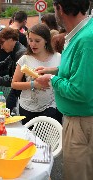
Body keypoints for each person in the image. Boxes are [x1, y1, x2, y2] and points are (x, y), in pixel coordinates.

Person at [35, 0, 93, 179]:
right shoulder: (81, 33)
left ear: (60, 8)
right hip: (79, 121)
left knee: (77, 175)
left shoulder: (86, 39)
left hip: (81, 123)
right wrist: (53, 71)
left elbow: (80, 91)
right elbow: (79, 72)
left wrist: (52, 79)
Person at [11, 23, 62, 125]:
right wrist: (34, 84)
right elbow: (14, 84)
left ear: (46, 40)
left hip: (51, 105)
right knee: (30, 139)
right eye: (30, 40)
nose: (33, 44)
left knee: (48, 139)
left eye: (37, 41)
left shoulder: (58, 57)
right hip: (28, 107)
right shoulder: (25, 58)